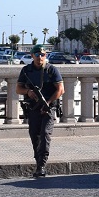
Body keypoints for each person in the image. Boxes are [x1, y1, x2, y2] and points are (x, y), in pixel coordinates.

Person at [16, 44, 64, 178]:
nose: (40, 58)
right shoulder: (26, 71)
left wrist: (47, 103)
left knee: (45, 134)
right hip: (33, 108)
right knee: (34, 135)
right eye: (37, 55)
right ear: (32, 56)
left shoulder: (51, 70)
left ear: (46, 56)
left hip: (49, 108)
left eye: (42, 55)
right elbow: (18, 89)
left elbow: (60, 89)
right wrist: (28, 92)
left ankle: (42, 165)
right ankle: (38, 162)